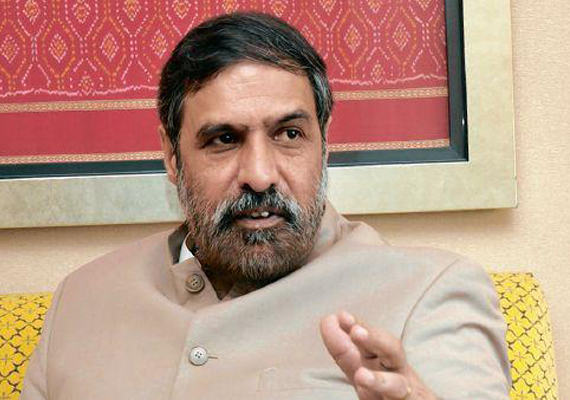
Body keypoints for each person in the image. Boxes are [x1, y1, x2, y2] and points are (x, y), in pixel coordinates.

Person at [21, 12, 511, 400]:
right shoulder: (81, 299)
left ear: (324, 144)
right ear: (172, 156)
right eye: (224, 139)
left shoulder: (430, 292)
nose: (259, 174)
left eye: (289, 134)